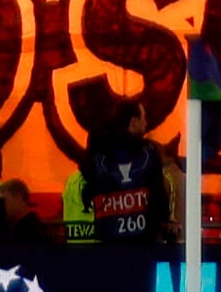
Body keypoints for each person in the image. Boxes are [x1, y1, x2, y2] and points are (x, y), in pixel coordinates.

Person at [65, 92, 173, 244]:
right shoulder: (148, 153)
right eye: (143, 118)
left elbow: (89, 177)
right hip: (143, 242)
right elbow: (158, 192)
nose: (146, 123)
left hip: (108, 238)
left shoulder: (97, 152)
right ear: (133, 121)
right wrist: (164, 218)